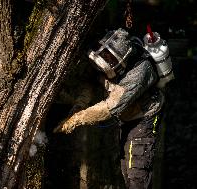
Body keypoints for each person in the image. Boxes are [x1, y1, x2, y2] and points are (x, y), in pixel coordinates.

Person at [54, 28, 173, 189]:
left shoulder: (138, 73)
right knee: (126, 168)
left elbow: (108, 108)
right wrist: (79, 105)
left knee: (137, 173)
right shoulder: (107, 54)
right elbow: (91, 82)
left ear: (120, 61)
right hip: (128, 116)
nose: (103, 65)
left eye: (107, 61)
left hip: (144, 118)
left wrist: (75, 119)